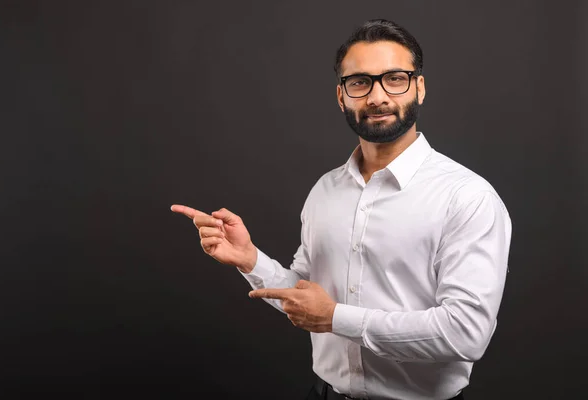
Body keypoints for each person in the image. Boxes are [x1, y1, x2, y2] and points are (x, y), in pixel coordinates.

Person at [171, 19, 512, 400]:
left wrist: (335, 318)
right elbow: (307, 298)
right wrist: (250, 261)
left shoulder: (467, 196)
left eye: (395, 78)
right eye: (360, 82)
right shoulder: (325, 191)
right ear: (341, 96)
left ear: (419, 87)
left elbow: (466, 333)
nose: (377, 96)